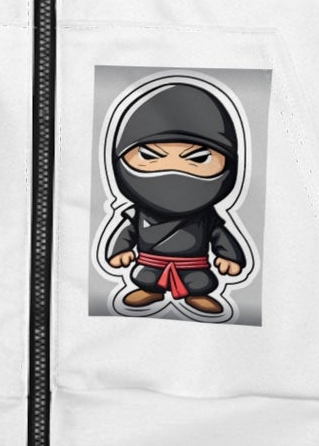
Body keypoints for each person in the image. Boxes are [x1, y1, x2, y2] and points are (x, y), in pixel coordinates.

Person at [103, 79, 250, 318]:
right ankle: (150, 291)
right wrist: (119, 250)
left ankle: (197, 295)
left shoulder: (205, 216)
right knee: (147, 277)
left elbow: (219, 234)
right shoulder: (138, 213)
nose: (173, 168)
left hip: (194, 265)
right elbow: (127, 231)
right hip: (150, 263)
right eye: (149, 155)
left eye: (198, 158)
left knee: (198, 282)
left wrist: (230, 256)